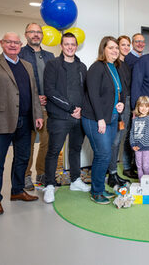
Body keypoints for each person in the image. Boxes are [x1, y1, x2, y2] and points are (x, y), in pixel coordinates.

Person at [0, 32, 43, 215]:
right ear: (2, 43)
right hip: (1, 121)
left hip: (26, 120)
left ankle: (17, 191)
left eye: (16, 42)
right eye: (9, 42)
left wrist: (37, 114)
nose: (13, 45)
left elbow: (33, 92)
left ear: (20, 45)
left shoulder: (27, 66)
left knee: (22, 158)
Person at [42, 33, 90, 204]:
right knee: (54, 151)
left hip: (79, 117)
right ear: (61, 46)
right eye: (66, 44)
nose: (70, 47)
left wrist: (81, 109)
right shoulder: (52, 65)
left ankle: (76, 180)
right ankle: (49, 185)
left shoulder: (82, 67)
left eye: (73, 44)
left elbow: (86, 92)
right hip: (59, 117)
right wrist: (70, 108)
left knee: (75, 149)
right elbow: (50, 91)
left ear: (76, 46)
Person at [82, 36, 126, 205]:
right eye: (111, 48)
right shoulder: (96, 67)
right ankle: (97, 191)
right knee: (103, 154)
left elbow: (116, 91)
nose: (115, 51)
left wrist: (120, 104)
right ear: (103, 49)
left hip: (112, 117)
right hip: (95, 119)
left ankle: (99, 187)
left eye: (116, 48)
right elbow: (93, 95)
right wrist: (100, 118)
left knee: (106, 155)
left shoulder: (114, 67)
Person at [19, 23, 55, 189]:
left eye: (38, 32)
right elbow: (17, 82)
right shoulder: (20, 54)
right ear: (26, 34)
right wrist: (34, 98)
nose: (35, 35)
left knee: (47, 142)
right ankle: (26, 176)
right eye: (32, 32)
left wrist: (49, 96)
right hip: (29, 108)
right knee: (28, 143)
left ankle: (42, 172)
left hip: (48, 107)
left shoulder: (50, 56)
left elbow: (55, 80)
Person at [109, 35, 135, 182]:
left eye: (127, 45)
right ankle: (111, 171)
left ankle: (120, 169)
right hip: (119, 104)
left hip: (127, 103)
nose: (125, 48)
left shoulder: (126, 64)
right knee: (116, 139)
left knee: (122, 137)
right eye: (122, 45)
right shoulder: (115, 64)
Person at [130, 96, 149, 180]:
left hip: (146, 147)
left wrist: (140, 144)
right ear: (138, 107)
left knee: (145, 165)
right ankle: (141, 182)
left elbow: (148, 132)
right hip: (136, 147)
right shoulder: (135, 119)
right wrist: (133, 144)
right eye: (141, 106)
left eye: (146, 106)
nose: (144, 108)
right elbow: (131, 132)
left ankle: (147, 182)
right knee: (139, 165)